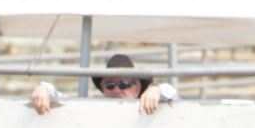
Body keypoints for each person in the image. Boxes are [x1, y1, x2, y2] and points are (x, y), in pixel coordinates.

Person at [31, 53, 178, 115]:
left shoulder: (153, 102)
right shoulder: (92, 109)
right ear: (102, 88)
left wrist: (156, 89)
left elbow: (174, 96)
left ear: (138, 87)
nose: (116, 89)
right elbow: (63, 99)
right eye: (109, 85)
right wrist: (44, 88)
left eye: (124, 84)